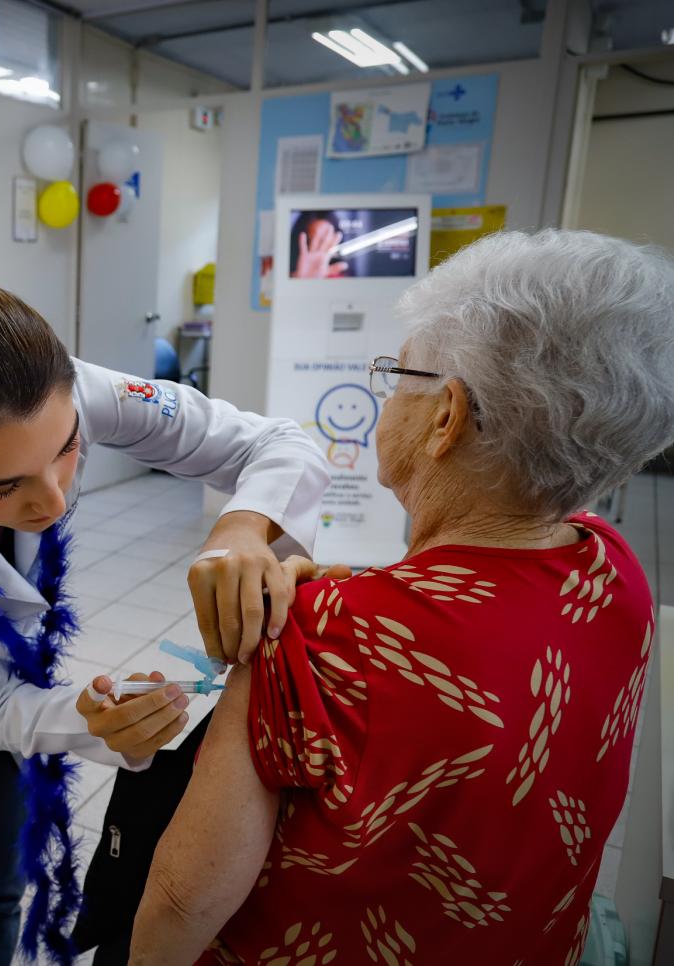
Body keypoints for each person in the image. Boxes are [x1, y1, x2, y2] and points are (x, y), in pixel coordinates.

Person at [124, 230, 674, 964]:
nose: (387, 391)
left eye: (398, 371)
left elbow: (182, 901)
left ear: (446, 418)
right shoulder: (611, 567)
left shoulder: (319, 638)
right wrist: (358, 589)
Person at [0, 281, 331, 966]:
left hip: (12, 670)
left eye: (66, 449)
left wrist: (242, 525)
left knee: (7, 884)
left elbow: (279, 444)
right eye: (2, 486)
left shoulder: (76, 390)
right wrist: (88, 723)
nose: (53, 502)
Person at [289, 210, 347, 279]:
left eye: (323, 239)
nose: (320, 245)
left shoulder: (344, 277)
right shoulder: (288, 276)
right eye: (311, 239)